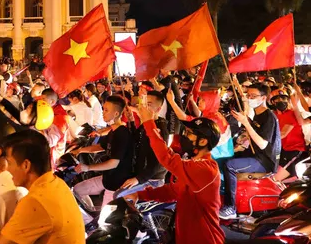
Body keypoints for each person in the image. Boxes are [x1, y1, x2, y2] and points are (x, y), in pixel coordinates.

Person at [0, 129, 84, 243]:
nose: (7, 169)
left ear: (26, 165)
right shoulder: (55, 183)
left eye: (9, 162)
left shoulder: (36, 201)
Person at [126, 105, 225, 244]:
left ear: (203, 142)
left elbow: (168, 159)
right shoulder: (193, 165)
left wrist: (149, 123)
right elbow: (174, 190)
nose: (184, 136)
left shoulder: (206, 169)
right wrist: (140, 195)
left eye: (189, 133)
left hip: (204, 238)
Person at [219, 83, 281, 219]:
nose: (250, 98)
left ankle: (231, 207)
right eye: (249, 95)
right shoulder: (258, 115)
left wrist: (246, 123)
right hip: (255, 155)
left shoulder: (269, 117)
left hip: (264, 160)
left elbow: (263, 144)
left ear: (263, 98)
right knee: (228, 156)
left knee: (229, 165)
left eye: (253, 96)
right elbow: (253, 135)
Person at [72, 95, 133, 211]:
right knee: (77, 190)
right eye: (103, 109)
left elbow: (113, 163)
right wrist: (79, 150)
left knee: (105, 222)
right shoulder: (113, 131)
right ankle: (91, 219)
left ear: (116, 114)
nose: (103, 113)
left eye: (106, 110)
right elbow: (100, 146)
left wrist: (87, 167)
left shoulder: (122, 133)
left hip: (116, 184)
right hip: (106, 178)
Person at [116, 90, 168, 198]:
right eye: (144, 104)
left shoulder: (159, 129)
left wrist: (138, 179)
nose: (143, 108)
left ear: (158, 109)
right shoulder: (146, 123)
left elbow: (158, 161)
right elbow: (136, 138)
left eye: (148, 105)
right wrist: (131, 120)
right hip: (141, 173)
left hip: (152, 179)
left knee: (120, 196)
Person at [271, 88, 308, 181]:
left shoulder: (291, 114)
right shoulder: (273, 114)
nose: (281, 101)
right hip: (282, 151)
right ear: (272, 102)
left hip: (295, 151)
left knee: (275, 179)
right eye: (278, 99)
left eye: (283, 98)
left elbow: (283, 133)